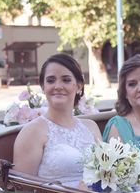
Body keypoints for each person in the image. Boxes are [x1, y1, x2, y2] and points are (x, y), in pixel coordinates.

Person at [13, 53, 102, 185]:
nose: (58, 86)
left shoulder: (91, 127)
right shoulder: (32, 132)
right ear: (43, 87)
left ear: (79, 86)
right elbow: (21, 191)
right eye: (50, 80)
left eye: (66, 80)